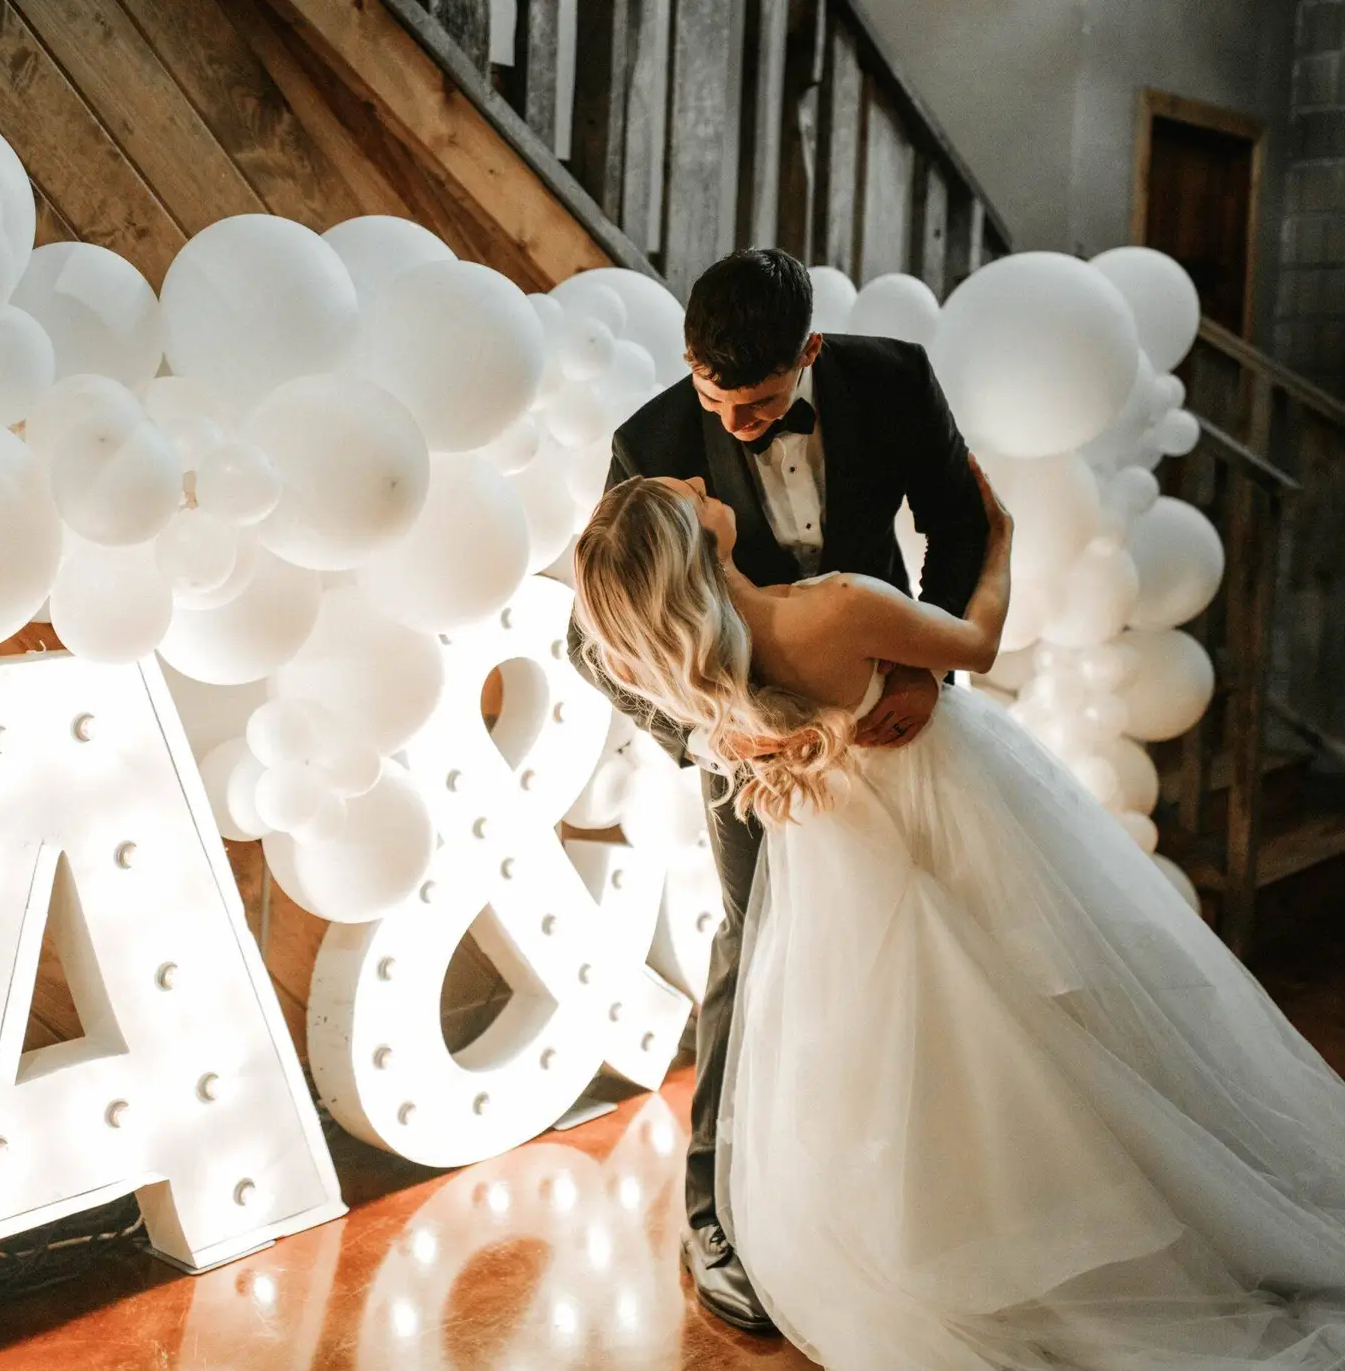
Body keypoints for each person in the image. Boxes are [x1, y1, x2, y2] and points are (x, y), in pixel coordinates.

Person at [570, 458, 1345, 1367]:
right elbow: (974, 646)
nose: (706, 486)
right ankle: (1114, 1216)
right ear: (695, 542)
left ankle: (968, 1234)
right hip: (947, 811)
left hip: (839, 862)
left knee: (907, 1055)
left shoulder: (716, 674)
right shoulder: (834, 604)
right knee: (1040, 1010)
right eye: (690, 499)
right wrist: (1001, 541)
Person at [566, 246, 991, 1332]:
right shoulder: (652, 445)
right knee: (753, 947)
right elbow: (596, 636)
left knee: (932, 939)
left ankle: (917, 1197)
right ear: (690, 367)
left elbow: (961, 521)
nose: (740, 425)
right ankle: (713, 1213)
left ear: (809, 352)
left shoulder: (893, 378)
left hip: (891, 706)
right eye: (721, 401)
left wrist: (923, 664)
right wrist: (717, 735)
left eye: (761, 404)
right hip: (751, 745)